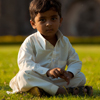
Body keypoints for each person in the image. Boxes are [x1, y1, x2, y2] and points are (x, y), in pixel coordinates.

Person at [8, 0, 93, 97]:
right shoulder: (30, 41)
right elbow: (25, 64)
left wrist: (69, 74)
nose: (48, 24)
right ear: (33, 24)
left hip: (57, 80)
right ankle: (62, 91)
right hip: (37, 77)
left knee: (80, 77)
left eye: (53, 18)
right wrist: (47, 72)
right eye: (42, 20)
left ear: (60, 21)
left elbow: (75, 62)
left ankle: (43, 90)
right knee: (23, 76)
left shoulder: (65, 41)